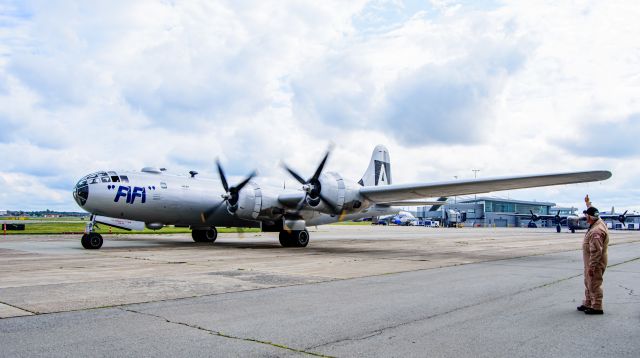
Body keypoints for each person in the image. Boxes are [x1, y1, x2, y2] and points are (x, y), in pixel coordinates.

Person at [577, 205, 609, 315]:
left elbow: (596, 251)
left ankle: (597, 306)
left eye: (586, 216)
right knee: (588, 282)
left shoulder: (596, 231)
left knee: (594, 283)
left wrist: (592, 266)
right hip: (590, 261)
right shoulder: (597, 222)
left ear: (590, 217)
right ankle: (588, 302)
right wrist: (588, 204)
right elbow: (593, 212)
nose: (585, 218)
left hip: (595, 262)